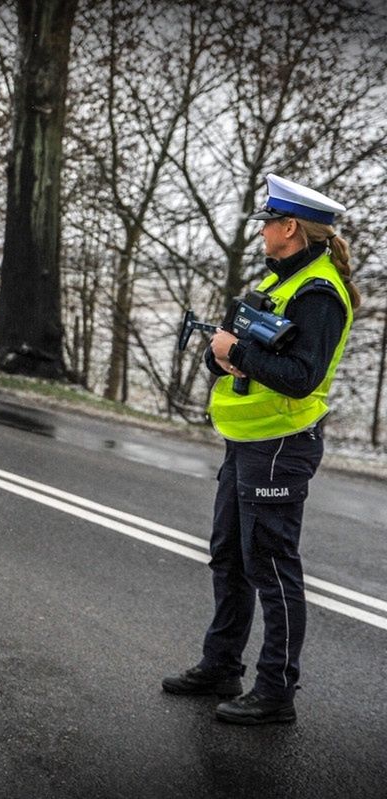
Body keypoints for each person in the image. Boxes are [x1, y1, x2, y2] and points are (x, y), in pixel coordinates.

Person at [163, 173, 360, 725]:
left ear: (290, 227)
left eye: (268, 223)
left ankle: (277, 691)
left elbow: (299, 377)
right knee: (229, 556)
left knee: (271, 567)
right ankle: (221, 665)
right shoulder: (275, 283)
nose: (262, 233)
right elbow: (226, 352)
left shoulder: (318, 293)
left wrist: (237, 352)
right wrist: (220, 353)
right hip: (246, 442)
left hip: (281, 445)